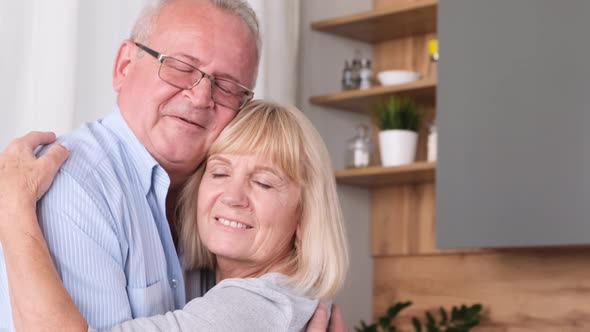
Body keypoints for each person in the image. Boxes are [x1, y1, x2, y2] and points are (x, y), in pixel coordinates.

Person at [0, 0, 346, 330]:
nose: (200, 97)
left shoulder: (210, 205)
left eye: (227, 86)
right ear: (124, 67)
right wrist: (13, 209)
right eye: (181, 67)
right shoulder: (73, 183)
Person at [0, 100, 349, 331]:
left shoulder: (260, 306)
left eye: (263, 182)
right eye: (220, 172)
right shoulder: (217, 283)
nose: (233, 196)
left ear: (305, 216)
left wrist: (13, 209)